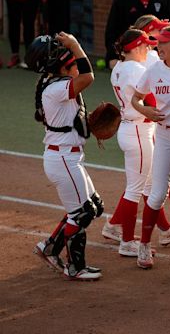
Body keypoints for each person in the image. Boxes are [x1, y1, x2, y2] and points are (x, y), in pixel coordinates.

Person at [28, 32, 102, 280]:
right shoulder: (56, 88)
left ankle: (56, 251)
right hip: (62, 159)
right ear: (59, 64)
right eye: (70, 61)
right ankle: (67, 261)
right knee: (83, 212)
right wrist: (77, 46)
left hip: (68, 158)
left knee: (91, 207)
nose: (74, 63)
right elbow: (88, 76)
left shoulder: (54, 86)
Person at [130, 24, 170, 269]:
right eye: (158, 43)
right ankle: (144, 246)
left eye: (164, 43)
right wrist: (144, 109)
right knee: (158, 192)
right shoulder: (154, 70)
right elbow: (136, 97)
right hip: (165, 135)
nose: (159, 47)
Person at [107, 29, 159, 257]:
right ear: (137, 47)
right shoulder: (136, 70)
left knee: (142, 185)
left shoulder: (118, 67)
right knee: (135, 189)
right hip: (139, 129)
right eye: (146, 45)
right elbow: (152, 100)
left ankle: (125, 234)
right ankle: (127, 241)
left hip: (130, 127)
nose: (148, 49)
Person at [105, 0, 170, 69]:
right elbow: (112, 31)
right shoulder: (121, 0)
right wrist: (113, 56)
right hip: (130, 53)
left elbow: (167, 27)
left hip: (153, 52)